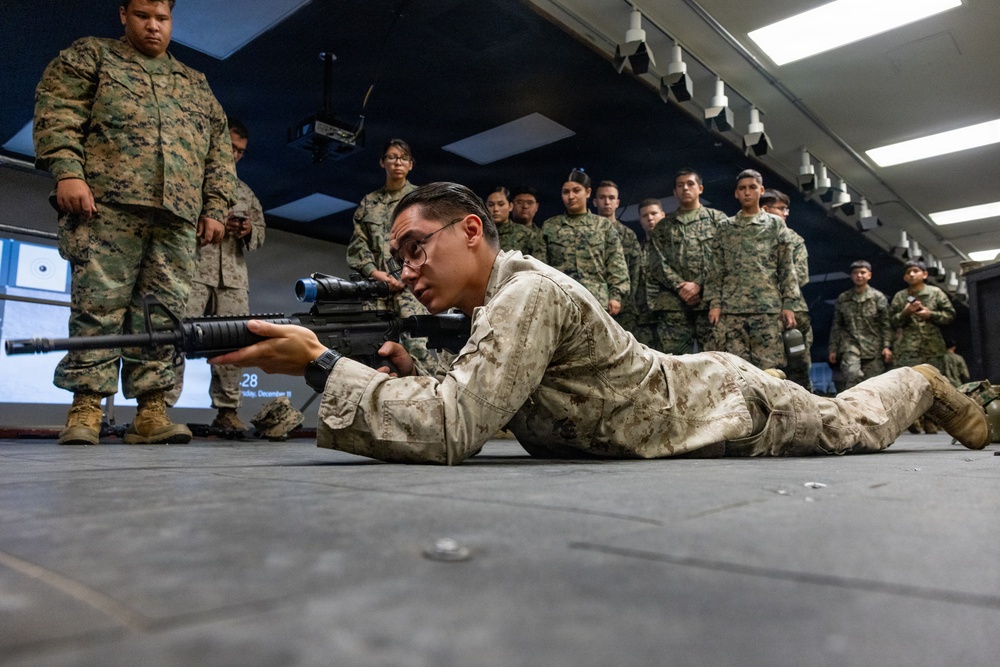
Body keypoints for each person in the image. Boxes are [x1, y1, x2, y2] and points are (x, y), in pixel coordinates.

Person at [209, 182, 989, 464]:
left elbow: (453, 430)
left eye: (417, 248)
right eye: (399, 258)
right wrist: (416, 376)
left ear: (472, 231)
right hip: (683, 403)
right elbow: (486, 391)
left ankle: (922, 383)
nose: (408, 270)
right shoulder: (494, 307)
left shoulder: (525, 292)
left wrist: (319, 364)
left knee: (852, 426)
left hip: (723, 406)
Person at [34, 0, 236, 445]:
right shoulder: (92, 56)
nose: (153, 27)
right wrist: (68, 170)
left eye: (162, 19)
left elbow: (219, 150)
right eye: (143, 16)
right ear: (123, 14)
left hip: (177, 215)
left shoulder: (194, 84)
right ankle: (85, 408)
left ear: (171, 21)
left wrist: (216, 206)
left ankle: (151, 411)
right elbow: (58, 111)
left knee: (161, 317)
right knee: (98, 306)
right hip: (107, 204)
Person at [166, 118, 265, 431]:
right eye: (230, 147)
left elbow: (261, 233)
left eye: (240, 151)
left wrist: (248, 229)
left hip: (233, 280)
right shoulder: (192, 179)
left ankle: (227, 412)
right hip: (193, 270)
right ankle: (158, 407)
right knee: (176, 338)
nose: (234, 155)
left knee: (234, 344)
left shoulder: (246, 192)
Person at [346, 138, 436, 374]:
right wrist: (377, 275)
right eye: (392, 157)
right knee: (376, 352)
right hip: (377, 290)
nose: (398, 163)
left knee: (419, 347)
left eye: (403, 158)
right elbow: (358, 246)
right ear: (382, 162)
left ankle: (428, 397)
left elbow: (432, 243)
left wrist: (407, 274)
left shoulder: (420, 200)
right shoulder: (369, 203)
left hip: (413, 290)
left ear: (411, 165)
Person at [705, 170, 800, 370]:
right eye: (742, 188)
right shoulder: (725, 227)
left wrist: (789, 304)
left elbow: (786, 267)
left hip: (767, 309)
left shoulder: (775, 225)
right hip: (732, 311)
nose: (747, 192)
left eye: (752, 187)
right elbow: (716, 269)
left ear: (761, 190)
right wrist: (715, 303)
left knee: (770, 371)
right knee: (736, 371)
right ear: (736, 194)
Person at [646, 169, 727, 354]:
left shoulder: (718, 220)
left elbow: (723, 257)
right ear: (674, 192)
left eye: (690, 184)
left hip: (710, 301)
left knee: (717, 361)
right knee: (675, 363)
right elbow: (656, 261)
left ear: (700, 188)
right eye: (680, 185)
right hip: (674, 305)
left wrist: (698, 284)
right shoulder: (664, 226)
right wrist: (680, 287)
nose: (685, 188)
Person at [542, 170, 629, 315]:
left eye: (576, 191)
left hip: (596, 301)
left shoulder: (603, 225)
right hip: (561, 302)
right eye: (566, 192)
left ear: (588, 192)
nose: (571, 196)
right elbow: (541, 267)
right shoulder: (550, 227)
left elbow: (616, 262)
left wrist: (616, 296)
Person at [890, 259, 956, 434]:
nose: (912, 274)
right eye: (908, 272)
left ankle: (931, 421)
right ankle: (911, 420)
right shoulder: (900, 297)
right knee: (908, 385)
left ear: (925, 274)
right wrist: (906, 312)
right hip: (907, 349)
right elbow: (892, 321)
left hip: (932, 347)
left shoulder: (935, 293)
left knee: (933, 384)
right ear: (905, 277)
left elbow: (950, 315)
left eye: (916, 271)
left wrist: (930, 314)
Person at [760, 189, 813, 390]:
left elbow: (800, 275)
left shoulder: (794, 239)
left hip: (793, 313)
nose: (786, 213)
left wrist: (770, 291)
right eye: (781, 208)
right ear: (765, 209)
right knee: (767, 373)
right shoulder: (752, 238)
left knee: (798, 370)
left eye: (786, 208)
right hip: (762, 314)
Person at [828, 260, 893, 389]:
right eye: (855, 273)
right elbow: (837, 325)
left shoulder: (878, 297)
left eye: (862, 272)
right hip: (850, 345)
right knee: (852, 375)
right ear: (851, 276)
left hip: (873, 347)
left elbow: (885, 324)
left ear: (869, 275)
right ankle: (851, 407)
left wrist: (887, 346)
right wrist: (833, 349)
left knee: (873, 385)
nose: (859, 276)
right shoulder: (844, 298)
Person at [592, 180, 643, 333]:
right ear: (595, 201)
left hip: (624, 309)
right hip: (595, 303)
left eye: (611, 198)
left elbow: (636, 271)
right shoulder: (589, 232)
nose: (607, 202)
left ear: (617, 202)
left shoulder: (627, 235)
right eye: (602, 197)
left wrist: (627, 301)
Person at [632, 198, 666, 349]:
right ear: (640, 220)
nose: (650, 218)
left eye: (654, 213)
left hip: (668, 315)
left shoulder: (674, 246)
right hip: (644, 317)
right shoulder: (638, 249)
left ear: (663, 215)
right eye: (645, 215)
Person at [487, 186, 544, 258]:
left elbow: (539, 266)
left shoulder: (528, 235)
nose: (495, 209)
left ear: (510, 206)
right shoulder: (481, 235)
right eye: (491, 205)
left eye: (501, 204)